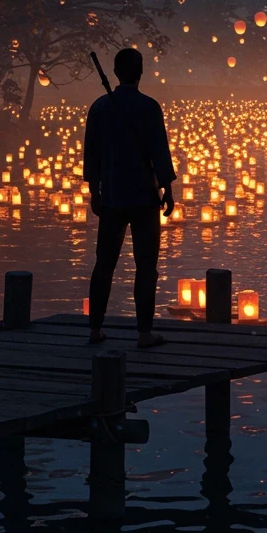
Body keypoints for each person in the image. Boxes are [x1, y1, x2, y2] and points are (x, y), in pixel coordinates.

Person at [83, 48, 176, 347]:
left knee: (104, 263)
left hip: (110, 195)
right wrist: (167, 189)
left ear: (115, 72)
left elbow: (91, 155)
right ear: (141, 72)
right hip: (143, 196)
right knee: (146, 265)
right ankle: (144, 333)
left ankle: (95, 329)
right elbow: (159, 151)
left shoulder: (99, 108)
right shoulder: (149, 107)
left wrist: (93, 191)